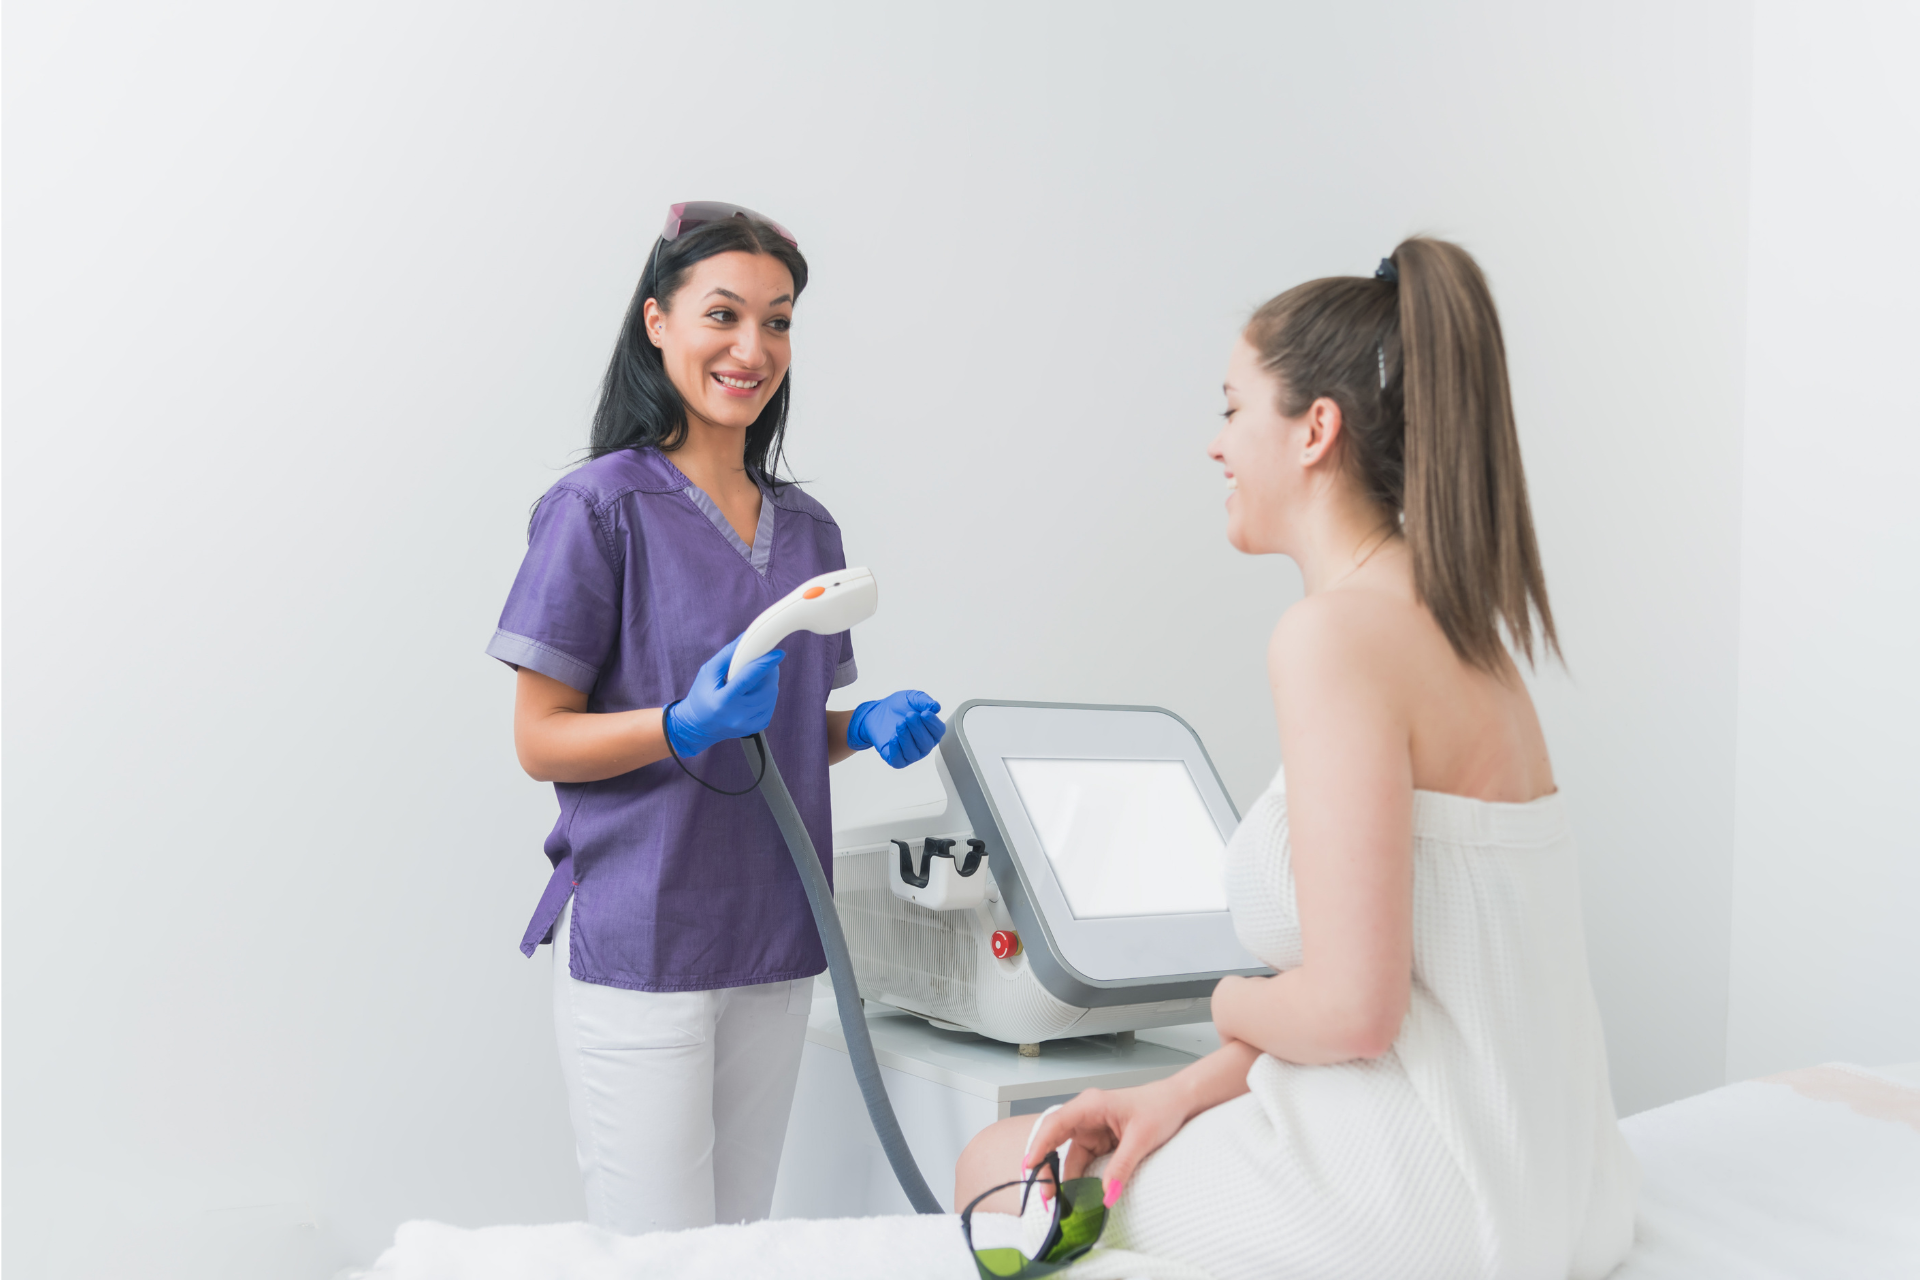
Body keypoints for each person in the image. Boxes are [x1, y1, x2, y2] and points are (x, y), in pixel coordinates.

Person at [954, 238, 1638, 1279]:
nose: (1217, 445)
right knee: (1081, 1152)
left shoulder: (1333, 637)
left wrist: (1225, 996)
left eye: (1232, 407)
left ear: (1315, 428)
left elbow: (1351, 1010)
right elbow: (1404, 993)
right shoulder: (1465, 631)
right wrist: (1171, 1093)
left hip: (1437, 1204)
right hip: (1563, 1192)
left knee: (999, 1160)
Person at [488, 203, 945, 1235]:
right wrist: (677, 725)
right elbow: (539, 736)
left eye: (778, 322)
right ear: (658, 321)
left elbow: (784, 737)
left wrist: (863, 723)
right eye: (724, 315)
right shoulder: (599, 510)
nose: (753, 348)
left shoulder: (810, 529)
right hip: (644, 939)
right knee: (658, 1256)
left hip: (773, 934)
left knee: (737, 1249)